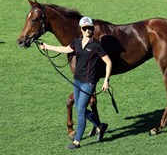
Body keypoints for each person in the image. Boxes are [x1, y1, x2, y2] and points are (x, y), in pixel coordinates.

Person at [39, 16, 112, 149]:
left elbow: (108, 62)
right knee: (81, 109)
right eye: (85, 28)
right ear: (81, 29)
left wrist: (106, 80)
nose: (88, 30)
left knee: (80, 110)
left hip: (88, 83)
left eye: (90, 28)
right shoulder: (77, 42)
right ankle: (101, 126)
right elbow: (66, 49)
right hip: (77, 81)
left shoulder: (96, 45)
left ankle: (76, 142)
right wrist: (47, 46)